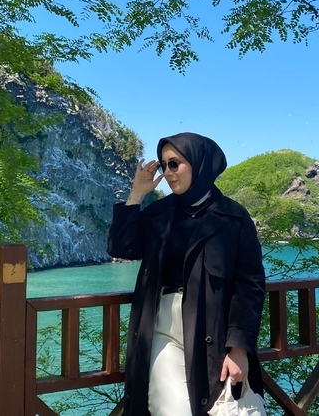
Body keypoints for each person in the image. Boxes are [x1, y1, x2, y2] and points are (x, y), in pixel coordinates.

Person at [107, 132, 266, 416]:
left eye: (174, 164)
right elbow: (122, 247)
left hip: (213, 330)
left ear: (199, 163)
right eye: (163, 165)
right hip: (162, 326)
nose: (168, 172)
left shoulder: (233, 218)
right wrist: (136, 195)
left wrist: (239, 348)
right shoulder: (159, 213)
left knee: (214, 407)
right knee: (174, 409)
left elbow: (250, 286)